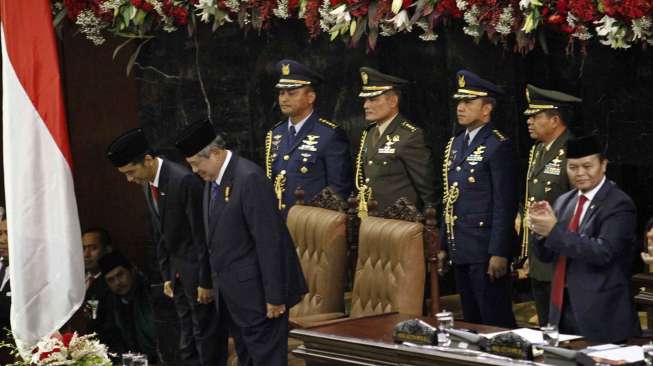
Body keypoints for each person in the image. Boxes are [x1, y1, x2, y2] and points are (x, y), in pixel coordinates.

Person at [175, 120, 307, 366]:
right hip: (233, 297)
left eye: (195, 164)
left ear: (214, 154)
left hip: (260, 298)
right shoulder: (212, 182)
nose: (194, 171)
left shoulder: (249, 178)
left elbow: (270, 240)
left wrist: (275, 296)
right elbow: (211, 240)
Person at [106, 129, 220, 366]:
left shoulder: (184, 180)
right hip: (178, 278)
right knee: (187, 345)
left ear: (147, 160)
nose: (129, 179)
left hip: (198, 279)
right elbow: (161, 233)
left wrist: (205, 281)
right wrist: (167, 274)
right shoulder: (148, 182)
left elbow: (201, 236)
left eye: (130, 172)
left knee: (205, 343)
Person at [528, 135, 640, 342]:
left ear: (603, 165)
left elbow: (603, 252)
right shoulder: (564, 201)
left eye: (587, 166)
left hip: (601, 313)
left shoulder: (618, 203)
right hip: (561, 308)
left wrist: (553, 231)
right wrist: (539, 231)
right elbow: (546, 256)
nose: (580, 173)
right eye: (573, 167)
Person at [439, 70, 518, 328]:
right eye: (459, 102)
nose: (460, 108)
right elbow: (449, 197)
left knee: (493, 321)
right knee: (471, 321)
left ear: (486, 109)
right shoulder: (456, 143)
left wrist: (499, 252)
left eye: (468, 103)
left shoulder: (497, 145)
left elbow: (504, 205)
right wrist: (443, 244)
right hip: (460, 245)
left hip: (485, 249)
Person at [520, 84, 580, 326]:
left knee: (564, 329)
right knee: (546, 328)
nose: (529, 122)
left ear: (555, 120)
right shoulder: (538, 150)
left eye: (535, 116)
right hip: (540, 255)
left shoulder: (573, 151)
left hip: (562, 256)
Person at [266, 59, 353, 214]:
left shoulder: (329, 134)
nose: (284, 98)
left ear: (310, 97)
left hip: (313, 225)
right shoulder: (275, 133)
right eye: (281, 93)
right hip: (280, 223)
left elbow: (339, 191)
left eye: (292, 93)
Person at [354, 67, 437, 213]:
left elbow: (427, 187)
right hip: (371, 218)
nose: (366, 105)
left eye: (373, 99)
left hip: (399, 221)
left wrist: (430, 222)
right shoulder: (370, 132)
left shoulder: (410, 135)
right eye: (366, 99)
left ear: (393, 101)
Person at [98, 251, 158, 362]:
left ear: (133, 270)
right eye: (111, 280)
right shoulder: (110, 303)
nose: (117, 283)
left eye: (120, 275)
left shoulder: (150, 292)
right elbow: (112, 341)